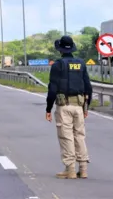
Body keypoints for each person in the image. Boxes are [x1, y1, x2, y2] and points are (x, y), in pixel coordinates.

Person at [45, 35, 92, 179]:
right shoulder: (81, 63)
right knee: (79, 136)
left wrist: (48, 108)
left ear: (60, 49)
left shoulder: (58, 65)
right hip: (79, 105)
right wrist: (86, 108)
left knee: (66, 137)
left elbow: (52, 88)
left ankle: (70, 169)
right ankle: (83, 169)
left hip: (64, 105)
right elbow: (88, 87)